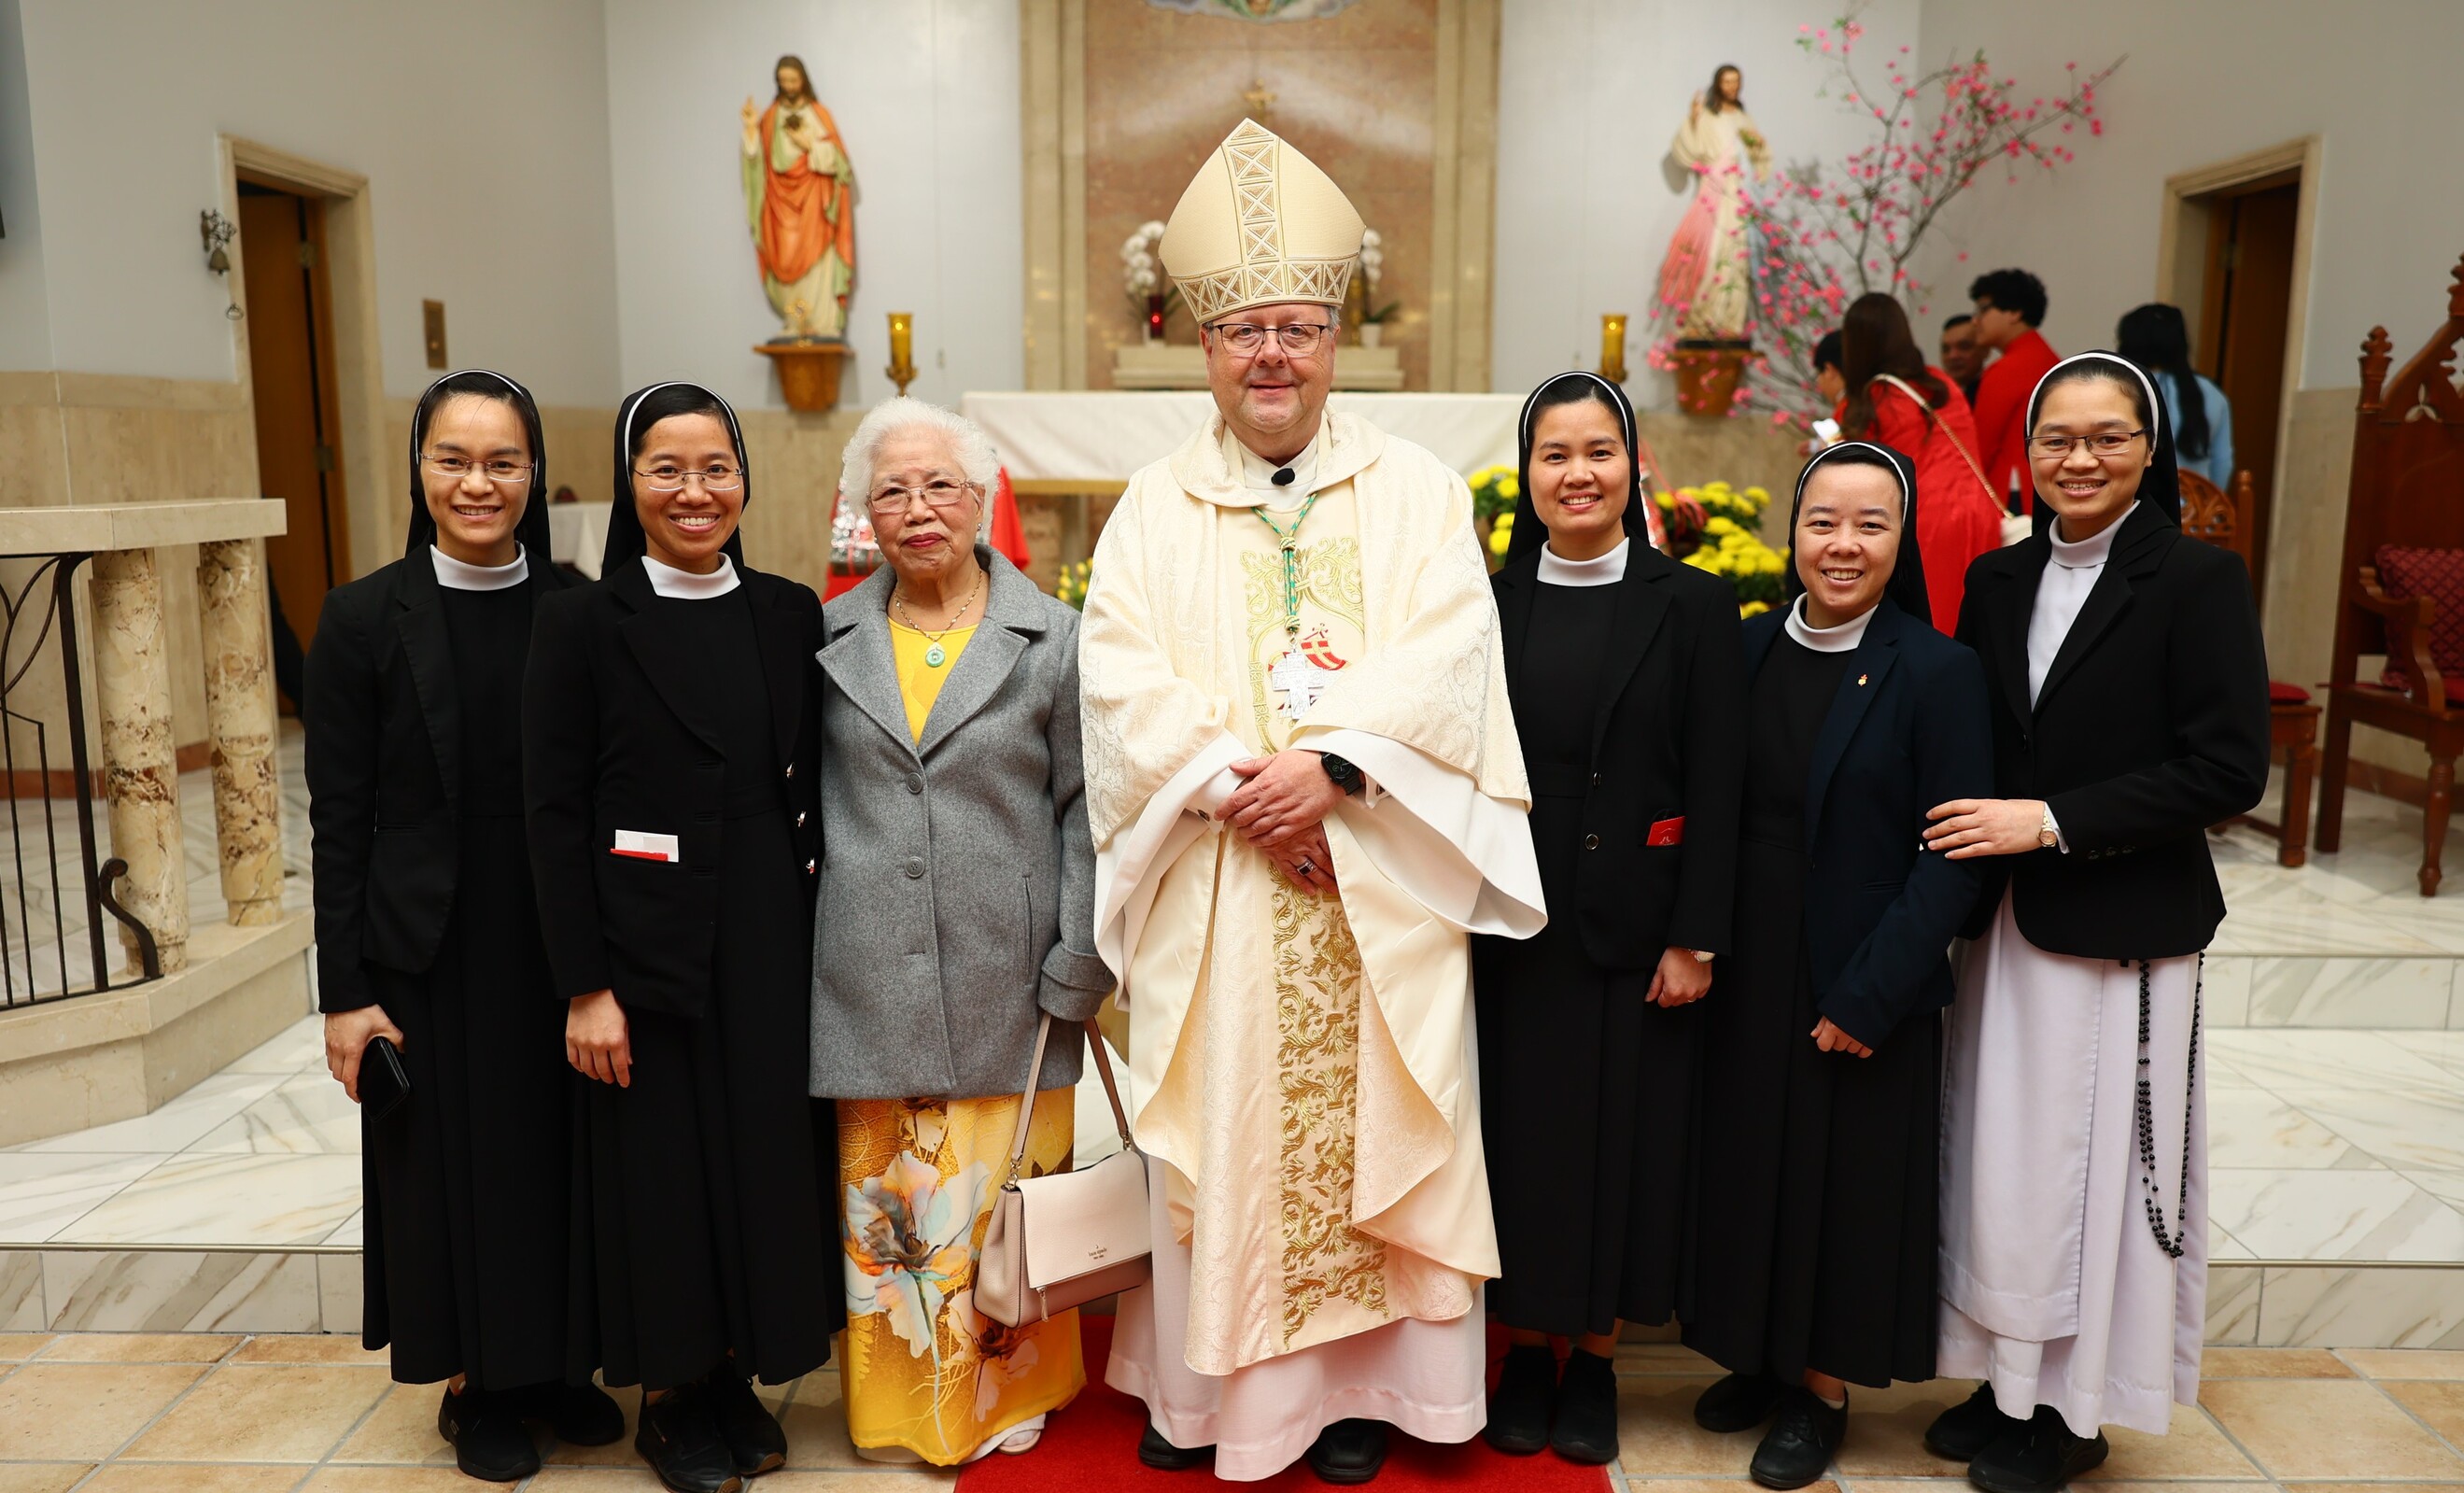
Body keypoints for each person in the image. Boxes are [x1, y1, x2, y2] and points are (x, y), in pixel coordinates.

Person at [1084, 119, 1544, 1485]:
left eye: (1294, 327)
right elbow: (1114, 672)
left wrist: (1333, 770)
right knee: (1227, 1129)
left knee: (1377, 1123)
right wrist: (1239, 788)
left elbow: (1454, 652)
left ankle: (1360, 1395)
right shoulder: (1151, 505)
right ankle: (1209, 1398)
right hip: (1224, 878)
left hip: (1378, 876)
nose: (1270, 354)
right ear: (1204, 346)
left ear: (1334, 338)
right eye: (1245, 332)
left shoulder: (1413, 491)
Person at [1921, 353, 2269, 1493]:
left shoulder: (2197, 580)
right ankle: (2002, 1376)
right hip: (2005, 924)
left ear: (2146, 448)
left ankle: (2074, 1412)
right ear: (2026, 450)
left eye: (2105, 437)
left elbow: (2227, 769)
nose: (2078, 460)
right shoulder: (1996, 579)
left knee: (2089, 1176)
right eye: (2055, 439)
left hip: (2120, 921)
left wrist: (2051, 822)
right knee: (2001, 1164)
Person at [306, 371, 621, 1483]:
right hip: (426, 945)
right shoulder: (361, 619)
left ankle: (559, 1366)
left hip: (554, 935)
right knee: (449, 1168)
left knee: (558, 1154)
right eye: (454, 459)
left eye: (502, 462)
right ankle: (474, 1384)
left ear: (534, 473)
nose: (478, 483)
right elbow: (338, 819)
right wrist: (345, 995)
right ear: (419, 470)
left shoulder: (580, 607)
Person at [524, 381, 837, 1493]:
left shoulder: (788, 611)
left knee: (758, 1155)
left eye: (716, 468)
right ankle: (667, 1395)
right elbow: (552, 813)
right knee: (660, 1169)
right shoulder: (579, 621)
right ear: (631, 484)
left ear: (742, 479)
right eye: (667, 470)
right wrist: (584, 986)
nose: (694, 492)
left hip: (766, 927)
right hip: (640, 938)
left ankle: (731, 1374)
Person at [1682, 442, 1994, 1488]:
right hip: (1750, 966)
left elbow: (1954, 856)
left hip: (1860, 975)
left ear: (1901, 541)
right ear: (1792, 533)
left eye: (1869, 524)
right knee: (1749, 1169)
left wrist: (1873, 992)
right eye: (1822, 521)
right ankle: (1760, 1359)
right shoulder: (1746, 645)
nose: (1842, 544)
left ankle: (1818, 1389)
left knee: (1839, 1190)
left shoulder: (1937, 670)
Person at [810, 397, 1107, 1466]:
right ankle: (900, 1408)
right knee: (890, 1214)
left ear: (982, 500)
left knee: (1001, 1205)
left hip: (1009, 975)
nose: (918, 508)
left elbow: (1087, 809)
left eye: (940, 485)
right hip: (866, 970)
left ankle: (1009, 1389)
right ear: (864, 513)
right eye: (891, 490)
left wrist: (1080, 953)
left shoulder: (1054, 638)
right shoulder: (825, 637)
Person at [1477, 372, 1745, 1466]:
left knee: (1620, 1147)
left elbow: (1720, 780)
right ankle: (1522, 1351)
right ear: (1526, 474)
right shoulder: (1486, 603)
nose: (1577, 474)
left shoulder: (1691, 605)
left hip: (1636, 928)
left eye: (1598, 452)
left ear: (1633, 467)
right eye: (1554, 454)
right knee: (1518, 1145)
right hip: (1509, 924)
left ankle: (1593, 1359)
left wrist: (1695, 934)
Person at [1836, 292, 2004, 631]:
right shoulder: (1941, 383)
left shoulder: (1872, 400)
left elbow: (1855, 473)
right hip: (1978, 512)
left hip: (1928, 518)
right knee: (1976, 620)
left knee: (1933, 622)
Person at [1658, 63, 1772, 343]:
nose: (1732, 86)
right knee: (1709, 254)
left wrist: (1757, 146)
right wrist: (1694, 119)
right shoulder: (1710, 116)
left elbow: (1757, 154)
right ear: (1718, 84)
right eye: (1727, 81)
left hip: (1738, 195)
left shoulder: (1743, 118)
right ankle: (1700, 318)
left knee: (1735, 256)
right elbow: (1691, 148)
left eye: (1736, 81)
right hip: (1715, 192)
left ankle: (1730, 320)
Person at [1966, 269, 2061, 517]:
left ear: (2014, 312)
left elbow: (1981, 447)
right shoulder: (2050, 359)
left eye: (1983, 310)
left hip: (2012, 490)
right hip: (2050, 485)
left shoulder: (2007, 368)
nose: (1976, 320)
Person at [2116, 304, 2234, 490]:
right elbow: (2223, 463)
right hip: (2197, 506)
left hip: (2135, 505)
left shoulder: (2117, 390)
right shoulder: (2212, 393)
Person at [1941, 315, 1984, 403]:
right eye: (1946, 349)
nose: (1953, 356)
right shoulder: (1936, 398)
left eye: (1964, 347)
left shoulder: (1994, 391)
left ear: (1985, 350)